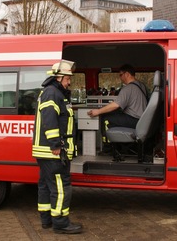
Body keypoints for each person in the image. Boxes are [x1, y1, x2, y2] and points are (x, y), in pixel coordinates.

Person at [32, 60, 83, 235]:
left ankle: (47, 220)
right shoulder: (52, 93)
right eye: (68, 79)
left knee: (46, 185)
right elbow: (49, 120)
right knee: (62, 187)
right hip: (53, 151)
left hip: (47, 151)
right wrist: (55, 145)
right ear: (60, 77)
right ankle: (61, 223)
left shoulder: (52, 93)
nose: (69, 82)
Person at [87, 64, 148, 146]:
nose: (120, 78)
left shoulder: (128, 88)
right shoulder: (141, 85)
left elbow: (116, 105)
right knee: (113, 115)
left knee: (105, 118)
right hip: (142, 120)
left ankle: (108, 145)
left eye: (121, 75)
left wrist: (98, 111)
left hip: (134, 119)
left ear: (127, 74)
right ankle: (119, 143)